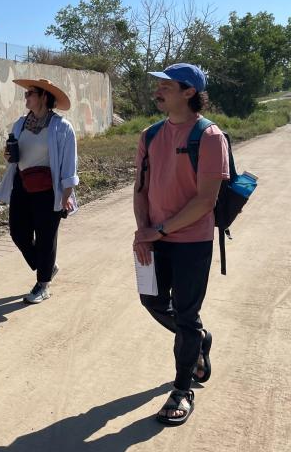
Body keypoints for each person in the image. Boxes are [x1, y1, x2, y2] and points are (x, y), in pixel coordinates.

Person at [132, 63, 229, 426]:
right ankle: (198, 339)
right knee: (151, 300)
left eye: (166, 85)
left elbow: (206, 200)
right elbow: (141, 188)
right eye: (158, 84)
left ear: (189, 92)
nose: (158, 90)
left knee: (186, 314)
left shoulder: (209, 137)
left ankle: (182, 388)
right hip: (154, 237)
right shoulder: (150, 135)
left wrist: (160, 229)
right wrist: (144, 230)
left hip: (192, 240)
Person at [0, 78, 78, 304]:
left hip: (49, 188)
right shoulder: (20, 124)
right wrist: (9, 155)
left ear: (43, 96)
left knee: (46, 237)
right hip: (22, 184)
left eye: (30, 93)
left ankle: (43, 284)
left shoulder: (61, 127)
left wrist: (66, 196)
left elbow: (70, 165)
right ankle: (47, 266)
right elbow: (15, 155)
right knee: (18, 233)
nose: (26, 97)